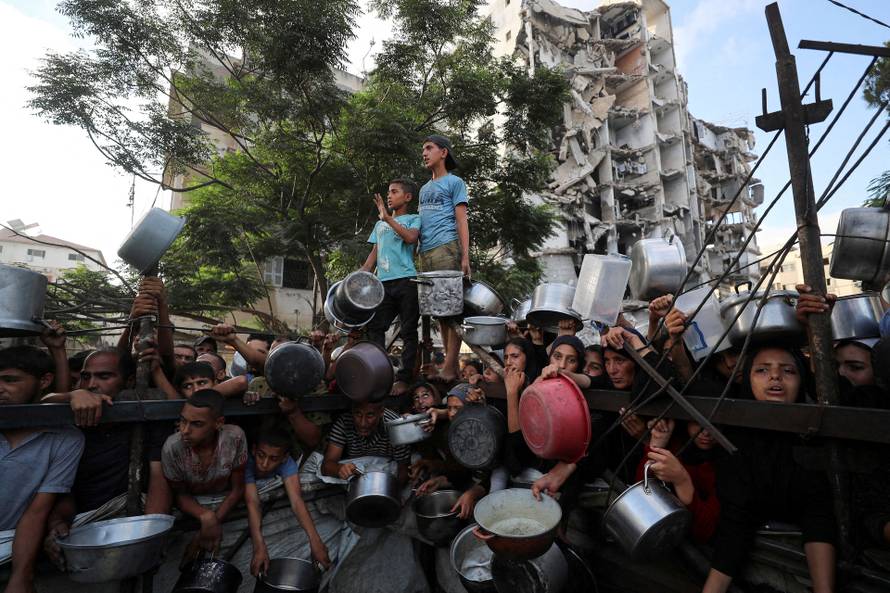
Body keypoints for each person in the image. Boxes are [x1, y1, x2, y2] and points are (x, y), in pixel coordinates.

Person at [703, 345, 836, 593]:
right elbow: (735, 523)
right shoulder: (735, 441)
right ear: (747, 380)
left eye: (788, 371)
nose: (775, 377)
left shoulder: (818, 438)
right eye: (762, 370)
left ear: (802, 381)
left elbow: (819, 514)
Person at [41, 348, 173, 566]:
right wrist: (57, 522)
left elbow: (159, 479)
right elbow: (65, 486)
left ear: (130, 381)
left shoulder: (147, 417)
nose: (92, 384)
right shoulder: (71, 421)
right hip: (84, 525)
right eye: (85, 376)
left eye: (104, 376)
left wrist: (151, 533)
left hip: (130, 520)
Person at [0, 346, 84, 593]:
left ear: (44, 381)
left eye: (10, 380)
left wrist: (21, 575)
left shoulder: (64, 439)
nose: (0, 388)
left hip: (10, 545)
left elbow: (37, 511)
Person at [162, 389, 247, 554]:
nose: (185, 430)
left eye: (197, 424)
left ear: (218, 423)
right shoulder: (173, 447)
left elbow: (238, 489)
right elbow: (179, 495)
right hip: (191, 512)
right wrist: (206, 516)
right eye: (182, 421)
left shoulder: (234, 438)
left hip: (226, 508)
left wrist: (209, 525)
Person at [360, 178, 422, 395]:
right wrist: (358, 278)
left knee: (408, 331)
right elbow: (373, 258)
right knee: (375, 328)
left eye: (394, 192)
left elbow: (411, 238)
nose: (389, 195)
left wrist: (387, 218)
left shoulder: (414, 219)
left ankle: (404, 379)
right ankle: (380, 372)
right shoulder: (379, 225)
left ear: (407, 197)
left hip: (407, 282)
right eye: (388, 192)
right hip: (383, 284)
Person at [418, 135, 470, 382]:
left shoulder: (455, 182)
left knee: (451, 309)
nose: (424, 153)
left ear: (444, 152)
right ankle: (451, 367)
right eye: (423, 150)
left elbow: (462, 220)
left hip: (446, 248)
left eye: (429, 148)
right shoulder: (423, 189)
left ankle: (450, 366)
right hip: (425, 253)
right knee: (439, 312)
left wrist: (465, 255)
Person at [246, 425, 330, 576]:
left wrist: (315, 541)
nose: (264, 464)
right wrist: (259, 545)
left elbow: (297, 501)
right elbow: (253, 502)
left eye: (273, 459)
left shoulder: (287, 464)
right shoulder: (246, 462)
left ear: (284, 458)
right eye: (261, 455)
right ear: (253, 450)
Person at [635, 418, 722, 544]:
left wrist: (682, 481)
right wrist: (655, 447)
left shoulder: (726, 463)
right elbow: (641, 501)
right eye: (697, 422)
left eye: (716, 424)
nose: (706, 432)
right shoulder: (677, 447)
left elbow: (705, 531)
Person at [321, 400, 410, 487]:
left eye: (370, 415)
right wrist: (339, 469)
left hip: (386, 479)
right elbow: (327, 465)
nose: (363, 423)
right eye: (358, 414)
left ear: (381, 412)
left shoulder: (395, 426)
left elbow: (403, 470)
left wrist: (391, 493)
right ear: (352, 410)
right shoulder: (344, 422)